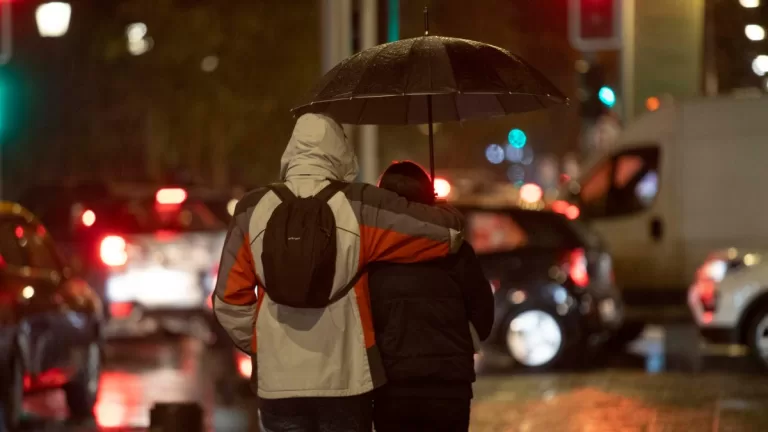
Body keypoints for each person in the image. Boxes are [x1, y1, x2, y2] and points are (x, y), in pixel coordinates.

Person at [211, 113, 465, 432]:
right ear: (339, 151)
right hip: (346, 380)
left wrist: (263, 344)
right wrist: (439, 206)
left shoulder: (251, 209)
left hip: (278, 382)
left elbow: (229, 301)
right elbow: (446, 234)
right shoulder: (359, 205)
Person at [368, 161, 495, 432]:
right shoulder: (458, 251)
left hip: (392, 388)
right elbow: (484, 319)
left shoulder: (370, 255)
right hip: (449, 388)